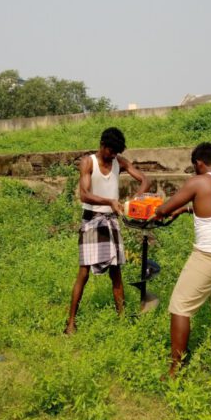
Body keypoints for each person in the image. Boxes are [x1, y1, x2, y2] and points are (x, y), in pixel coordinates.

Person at [152, 142, 211, 377]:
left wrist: (158, 210)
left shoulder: (197, 181)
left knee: (180, 306)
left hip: (210, 254)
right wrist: (185, 211)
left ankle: (176, 368)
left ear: (199, 163)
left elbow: (164, 209)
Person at [64, 127, 150, 334]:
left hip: (111, 220)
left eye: (116, 153)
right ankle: (70, 323)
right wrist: (109, 201)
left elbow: (145, 180)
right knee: (83, 273)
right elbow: (84, 195)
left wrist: (134, 199)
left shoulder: (118, 162)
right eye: (111, 152)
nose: (113, 156)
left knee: (116, 271)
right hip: (92, 220)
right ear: (102, 145)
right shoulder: (88, 162)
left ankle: (121, 320)